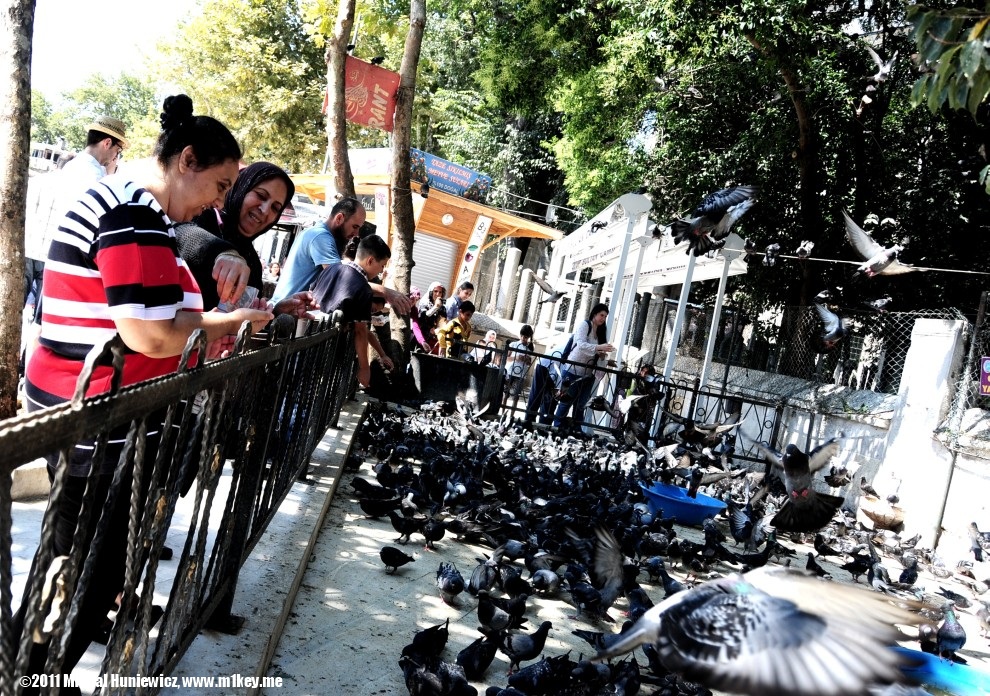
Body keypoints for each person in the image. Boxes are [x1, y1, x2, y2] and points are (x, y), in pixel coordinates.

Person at [17, 94, 272, 682]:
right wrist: (231, 324)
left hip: (104, 408)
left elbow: (162, 325)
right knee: (81, 570)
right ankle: (32, 677)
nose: (220, 200)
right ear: (187, 159)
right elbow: (153, 335)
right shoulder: (132, 210)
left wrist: (227, 324)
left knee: (81, 565)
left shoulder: (144, 215)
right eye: (221, 183)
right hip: (93, 412)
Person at [175, 161, 315, 321]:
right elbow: (180, 231)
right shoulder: (201, 215)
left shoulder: (253, 264)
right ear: (240, 188)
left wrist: (274, 314)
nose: (264, 210)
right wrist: (223, 252)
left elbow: (242, 324)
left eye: (275, 208)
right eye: (261, 196)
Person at [23, 116, 128, 317]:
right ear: (107, 143)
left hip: (38, 248)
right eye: (118, 150)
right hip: (61, 255)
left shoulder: (73, 167)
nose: (116, 156)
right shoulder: (94, 176)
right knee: (43, 321)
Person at [271, 198, 411, 313]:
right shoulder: (321, 237)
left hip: (290, 310)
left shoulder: (317, 233)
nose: (356, 235)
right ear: (339, 218)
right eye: (355, 227)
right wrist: (386, 292)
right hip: (285, 311)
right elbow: (340, 280)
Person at [311, 235, 392, 387]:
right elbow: (361, 331)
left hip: (306, 336)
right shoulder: (363, 288)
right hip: (328, 350)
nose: (381, 271)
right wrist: (364, 367)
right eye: (382, 265)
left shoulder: (333, 268)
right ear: (370, 260)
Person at [552, 303, 615, 428]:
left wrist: (604, 357)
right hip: (572, 370)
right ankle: (557, 427)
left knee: (581, 405)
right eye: (601, 315)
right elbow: (580, 344)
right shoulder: (585, 325)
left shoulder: (601, 331)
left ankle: (576, 428)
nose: (603, 318)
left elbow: (595, 353)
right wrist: (598, 347)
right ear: (595, 314)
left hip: (587, 374)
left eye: (605, 316)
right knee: (565, 402)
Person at [525, 341, 567, 425]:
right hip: (546, 364)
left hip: (553, 367)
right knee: (538, 396)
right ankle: (529, 423)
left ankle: (542, 426)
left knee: (548, 400)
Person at [502, 324, 535, 416]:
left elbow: (529, 363)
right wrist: (516, 358)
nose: (525, 339)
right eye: (524, 336)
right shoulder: (513, 344)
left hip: (521, 374)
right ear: (520, 335)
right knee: (506, 394)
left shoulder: (529, 348)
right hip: (510, 371)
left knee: (516, 396)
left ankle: (511, 415)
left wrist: (526, 360)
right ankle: (502, 413)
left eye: (527, 337)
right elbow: (506, 358)